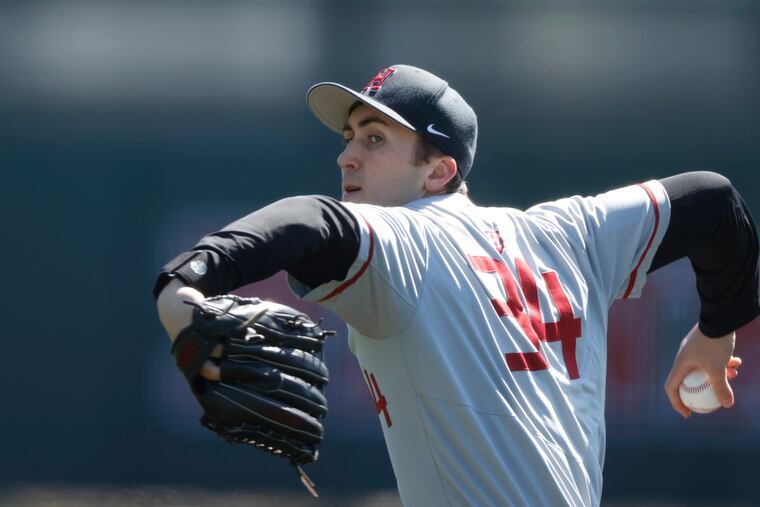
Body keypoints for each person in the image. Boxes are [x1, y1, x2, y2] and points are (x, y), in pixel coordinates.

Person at [154, 65, 759, 506]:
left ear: (441, 170)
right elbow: (713, 200)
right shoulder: (570, 235)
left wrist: (185, 283)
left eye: (374, 138)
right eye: (348, 139)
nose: (347, 159)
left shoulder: (408, 243)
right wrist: (715, 330)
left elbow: (307, 220)